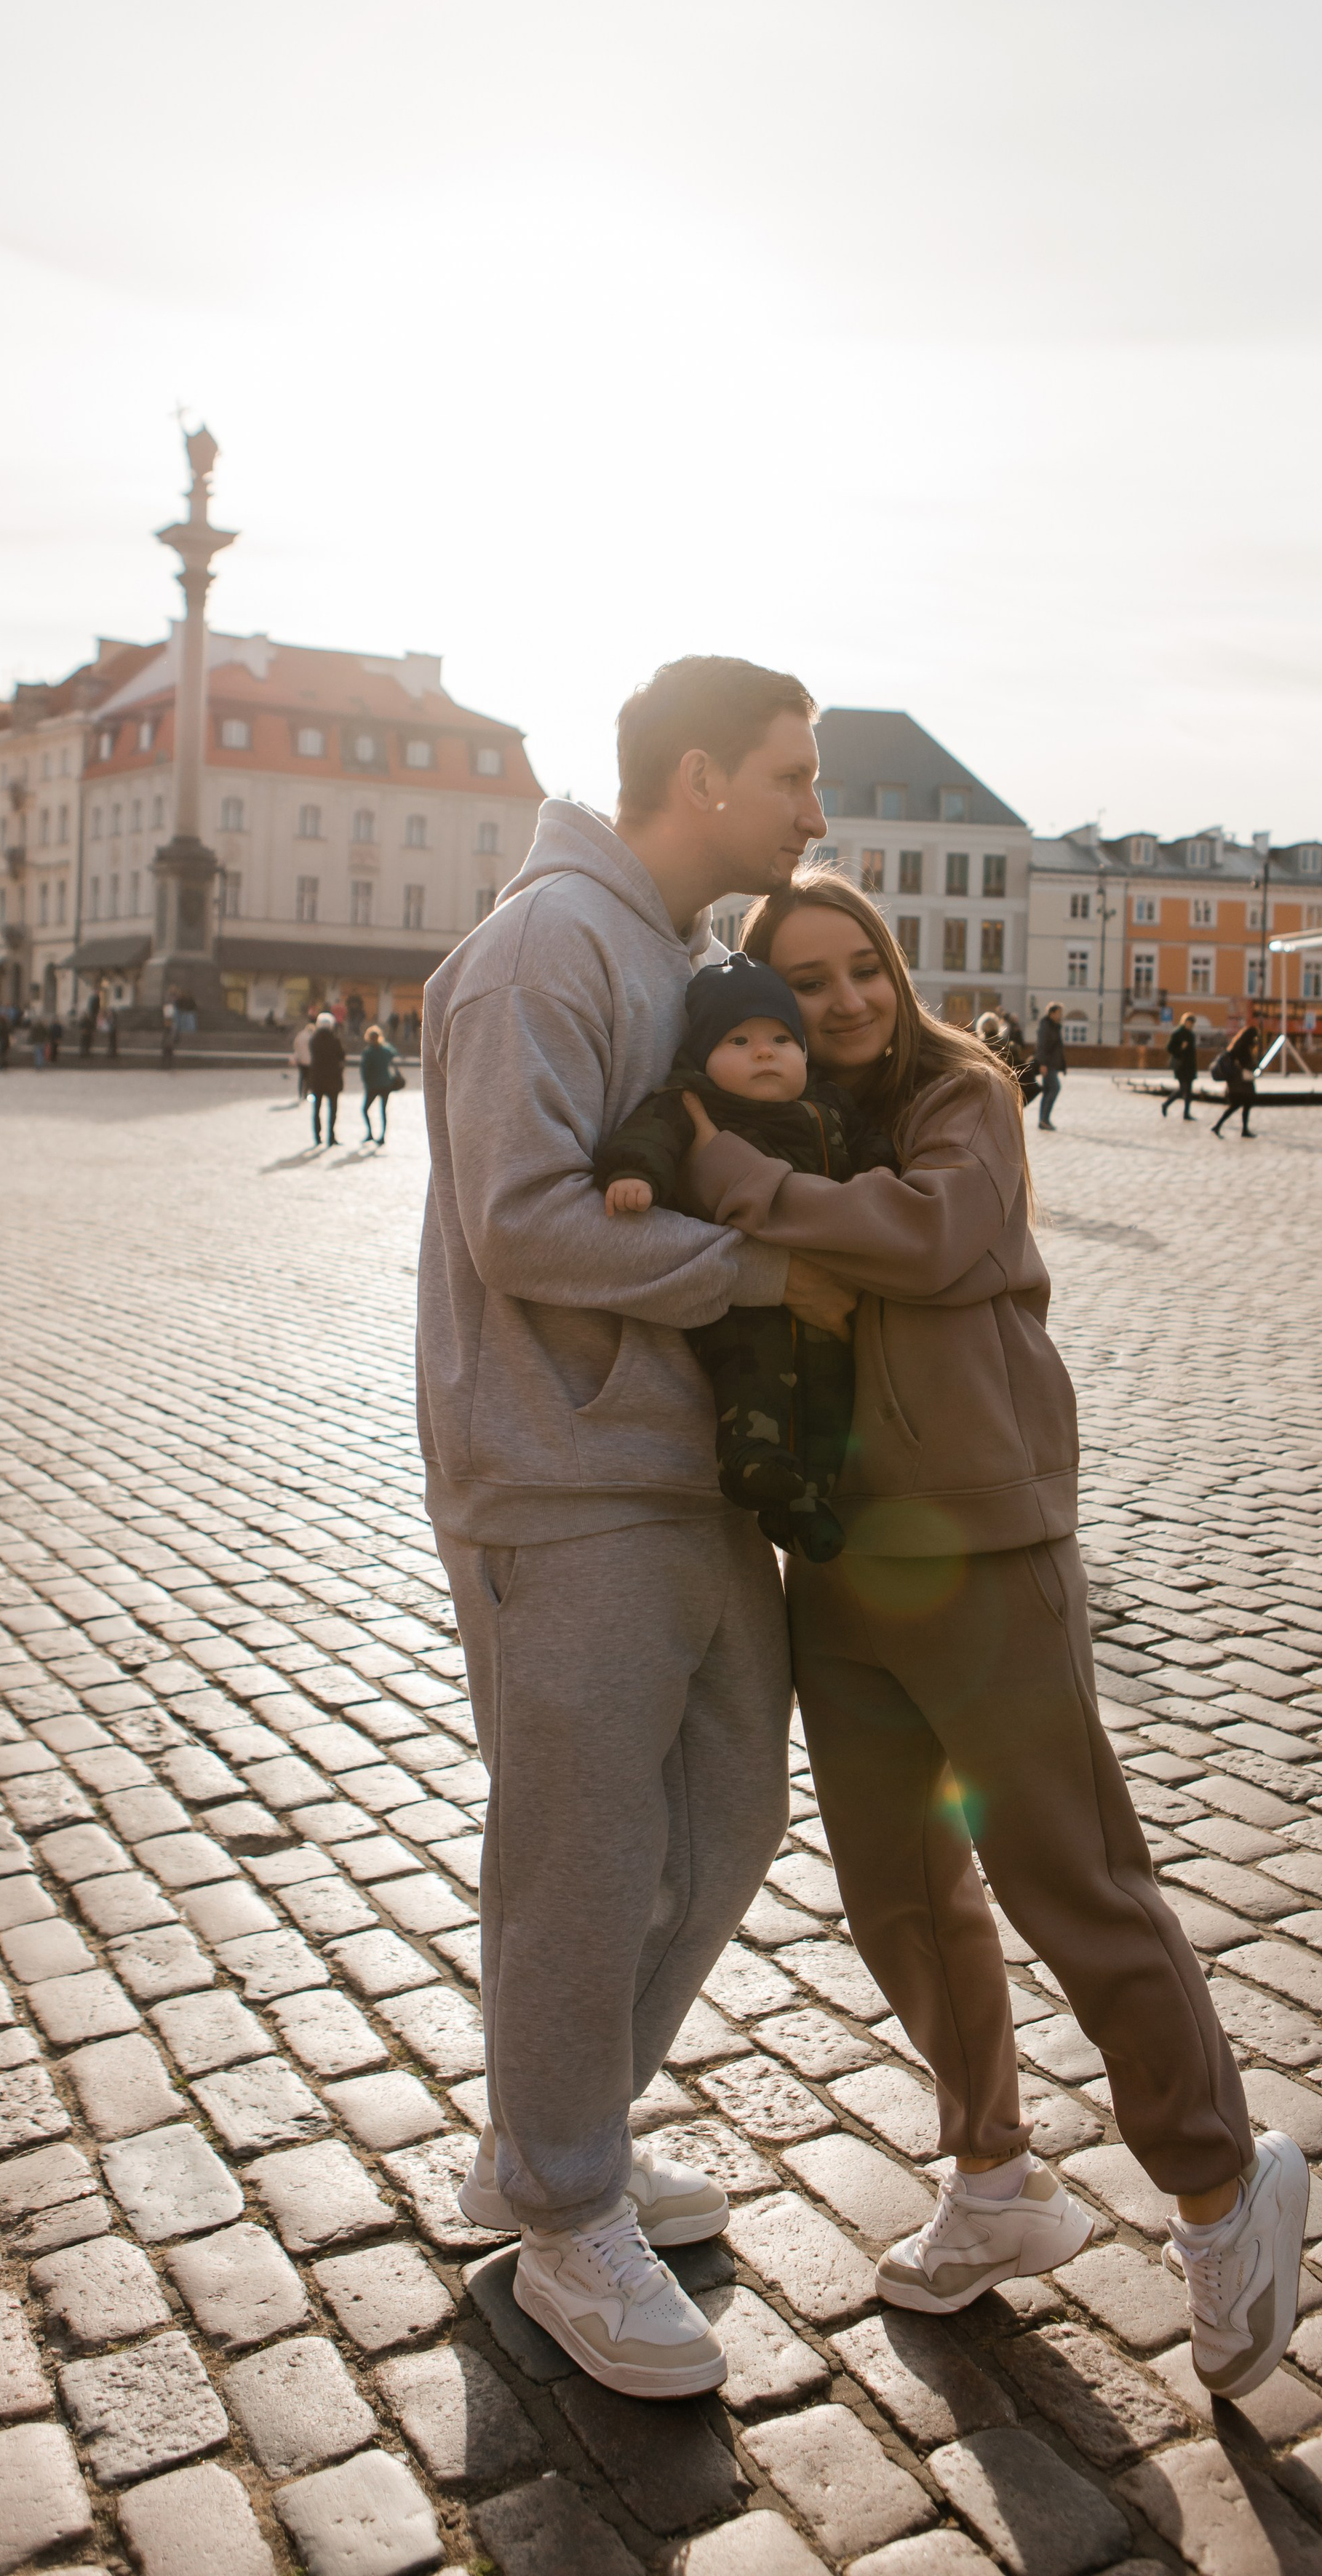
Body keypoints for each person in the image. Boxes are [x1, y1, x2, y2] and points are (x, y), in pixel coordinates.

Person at [686, 867, 1307, 2396]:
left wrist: (755, 1197)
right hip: (836, 1555)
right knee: (896, 1891)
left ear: (895, 973)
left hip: (979, 1539)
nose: (838, 1004)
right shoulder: (779, 1119)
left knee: (1068, 1879)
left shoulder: (957, 1092)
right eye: (803, 983)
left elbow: (935, 1238)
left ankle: (1222, 2191)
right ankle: (993, 2179)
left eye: (859, 973)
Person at [420, 653, 846, 2401]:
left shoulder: (670, 958)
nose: (815, 811)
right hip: (563, 1467)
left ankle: (561, 2129)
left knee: (728, 1805)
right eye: (790, 774)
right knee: (582, 1844)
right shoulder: (542, 950)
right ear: (696, 777)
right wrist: (758, 1271)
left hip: (677, 1467)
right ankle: (559, 2215)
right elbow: (523, 1221)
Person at [595, 952, 888, 1561]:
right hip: (745, 1301)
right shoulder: (692, 1103)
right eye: (740, 1039)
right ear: (703, 1056)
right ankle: (750, 1464)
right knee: (751, 1381)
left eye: (782, 1038)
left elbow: (871, 1145)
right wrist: (635, 1175)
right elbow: (648, 1136)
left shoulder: (828, 1107)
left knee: (832, 1395)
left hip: (825, 1300)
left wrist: (885, 1169)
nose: (765, 1052)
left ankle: (808, 1499)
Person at [1213, 1021, 1260, 1139]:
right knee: (1241, 1105)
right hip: (1242, 1084)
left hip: (1236, 1083)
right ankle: (1225, 1127)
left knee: (1238, 1105)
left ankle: (1222, 1126)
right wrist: (1256, 1066)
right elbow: (1247, 1064)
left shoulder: (1236, 1046)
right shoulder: (1244, 1049)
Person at [307, 1010, 346, 1145]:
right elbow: (342, 1056)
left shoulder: (314, 1040)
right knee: (332, 1110)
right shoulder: (335, 1040)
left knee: (316, 1110)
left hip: (317, 1080)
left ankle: (317, 1137)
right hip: (333, 1080)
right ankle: (331, 1137)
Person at [359, 1022, 401, 1145]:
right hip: (386, 1084)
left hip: (373, 1086)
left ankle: (370, 1133)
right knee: (383, 1111)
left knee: (365, 1109)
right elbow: (394, 1053)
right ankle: (382, 1136)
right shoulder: (386, 1050)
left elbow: (364, 1071)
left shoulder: (368, 1053)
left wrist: (366, 1083)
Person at [1033, 1004, 1067, 1129]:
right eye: (1059, 1013)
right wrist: (1042, 1064)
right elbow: (1041, 1047)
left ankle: (1043, 1120)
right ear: (1052, 1013)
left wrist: (1062, 1066)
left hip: (1052, 1064)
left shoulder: (1054, 1027)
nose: (1061, 1016)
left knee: (1048, 1090)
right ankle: (1044, 1119)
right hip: (1047, 1064)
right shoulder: (1046, 1027)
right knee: (1055, 1088)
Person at [1163, 1012, 1198, 1120]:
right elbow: (1169, 1048)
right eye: (1189, 1022)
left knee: (1189, 1091)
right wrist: (1181, 1048)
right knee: (1183, 1089)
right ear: (1184, 1022)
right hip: (1180, 1065)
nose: (1191, 1025)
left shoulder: (1191, 1034)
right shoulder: (1177, 1033)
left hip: (1190, 1065)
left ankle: (1186, 1114)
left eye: (1192, 1023)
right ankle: (1166, 1104)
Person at [291, 1012, 316, 1100]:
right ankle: (307, 1093)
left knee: (302, 1077)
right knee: (309, 1077)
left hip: (301, 1060)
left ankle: (301, 1093)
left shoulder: (300, 1035)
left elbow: (296, 1046)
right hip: (310, 1060)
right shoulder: (313, 1037)